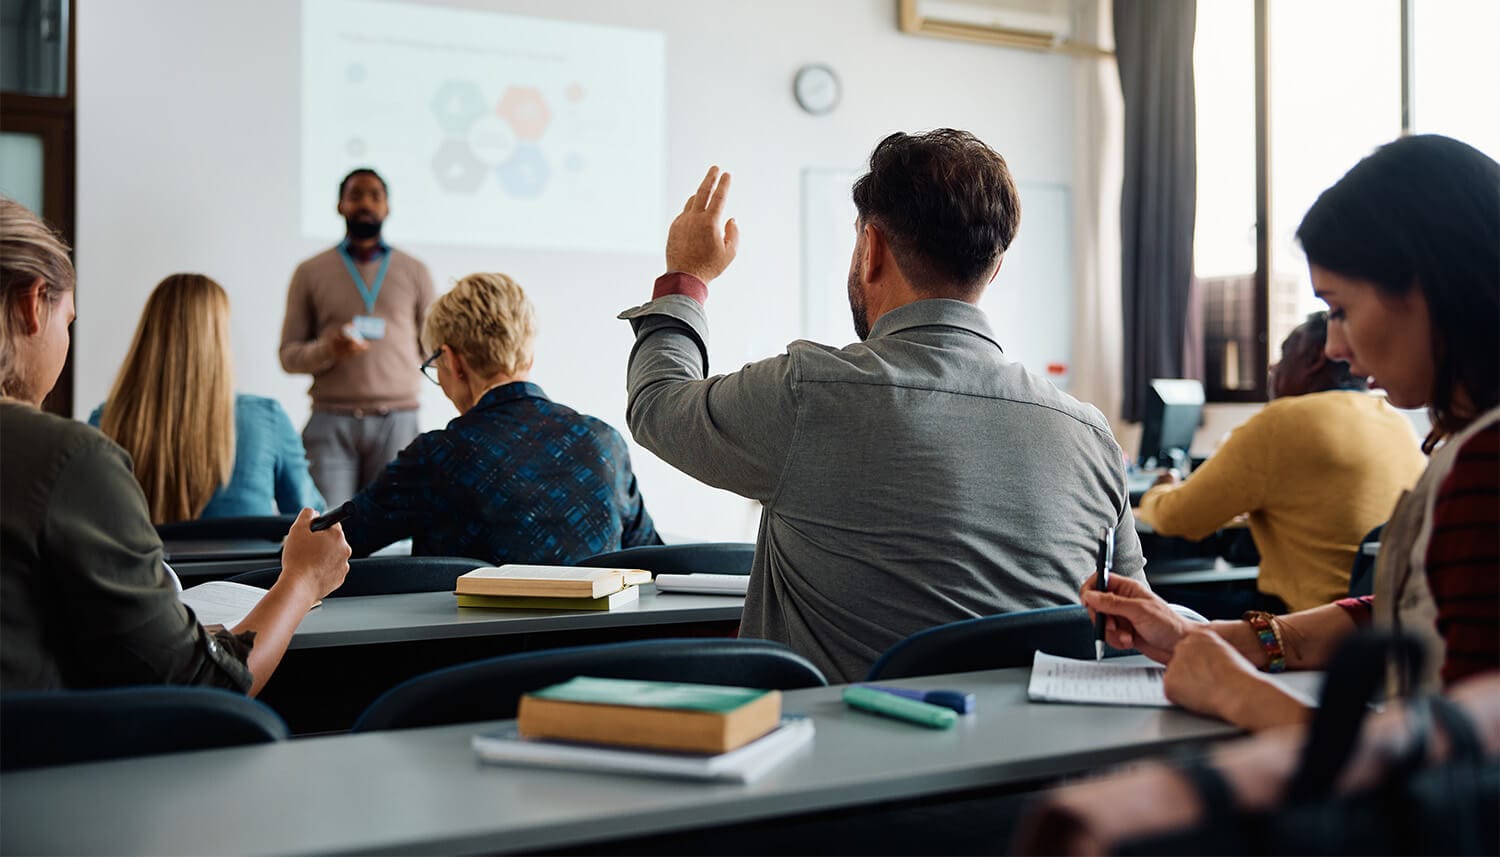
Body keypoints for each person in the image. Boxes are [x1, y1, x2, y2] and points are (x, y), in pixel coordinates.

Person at [617, 130, 1145, 683]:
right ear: (993, 268)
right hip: (1031, 763)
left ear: (871, 249)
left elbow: (657, 403)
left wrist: (688, 277)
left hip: (837, 765)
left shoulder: (812, 395)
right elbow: (1136, 625)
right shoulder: (1091, 436)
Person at [1082, 134, 1500, 730]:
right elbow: (1409, 613)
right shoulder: (1452, 438)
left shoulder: (1487, 461)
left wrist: (1239, 694)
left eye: (1341, 309)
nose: (1335, 346)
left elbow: (1462, 770)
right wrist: (1208, 638)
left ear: (1427, 286)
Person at [0, 197, 350, 695]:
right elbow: (202, 681)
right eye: (69, 321)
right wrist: (302, 580)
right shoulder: (69, 458)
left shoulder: (105, 421)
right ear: (33, 305)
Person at [339, 272, 661, 563]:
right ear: (529, 353)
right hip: (596, 631)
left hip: (471, 631)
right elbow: (653, 558)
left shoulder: (436, 457)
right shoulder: (604, 444)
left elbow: (332, 544)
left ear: (452, 361)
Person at [1137, 311, 1427, 614]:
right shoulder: (1396, 422)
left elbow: (1179, 519)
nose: (1274, 367)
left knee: (1148, 592)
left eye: (1284, 354)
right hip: (1380, 616)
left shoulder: (1282, 422)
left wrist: (1158, 491)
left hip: (1305, 620)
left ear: (1316, 358)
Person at [90, 273, 324, 524]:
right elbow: (313, 519)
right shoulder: (267, 420)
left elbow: (89, 521)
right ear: (219, 339)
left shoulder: (105, 422)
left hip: (146, 565)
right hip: (247, 565)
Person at [279, 167, 436, 507]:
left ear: (387, 207)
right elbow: (288, 355)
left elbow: (435, 348)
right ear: (340, 205)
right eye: (355, 195)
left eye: (374, 196)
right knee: (327, 530)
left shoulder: (415, 271)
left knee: (394, 535)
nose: (365, 202)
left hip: (398, 421)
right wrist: (327, 350)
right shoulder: (310, 272)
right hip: (331, 422)